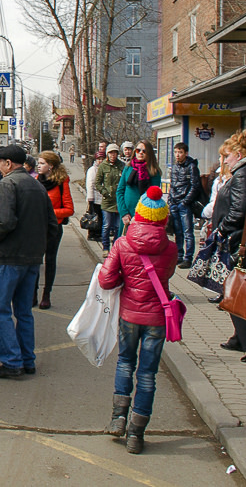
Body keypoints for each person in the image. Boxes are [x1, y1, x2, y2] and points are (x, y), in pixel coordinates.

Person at [99, 186, 178, 454]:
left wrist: (124, 278)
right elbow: (167, 275)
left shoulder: (123, 243)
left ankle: (118, 418)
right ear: (163, 218)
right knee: (147, 374)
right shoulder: (170, 248)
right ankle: (136, 433)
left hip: (129, 315)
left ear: (139, 214)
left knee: (125, 362)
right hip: (157, 318)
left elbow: (105, 280)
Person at [0, 144, 58, 379]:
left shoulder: (8, 184)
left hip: (10, 256)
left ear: (8, 163)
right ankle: (27, 360)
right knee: (24, 312)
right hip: (32, 258)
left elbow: (4, 222)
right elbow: (52, 224)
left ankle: (12, 361)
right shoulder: (37, 185)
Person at [211, 130, 246, 361]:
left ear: (239, 155)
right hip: (242, 240)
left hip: (239, 241)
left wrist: (221, 229)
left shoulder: (243, 174)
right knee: (235, 289)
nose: (225, 161)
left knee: (234, 291)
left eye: (227, 156)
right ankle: (240, 337)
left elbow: (239, 211)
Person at [33, 151, 73, 309]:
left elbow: (69, 209)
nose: (38, 166)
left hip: (53, 228)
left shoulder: (61, 182)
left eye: (42, 163)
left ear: (51, 166)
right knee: (35, 261)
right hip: (37, 227)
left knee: (49, 261)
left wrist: (49, 213)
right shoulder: (35, 181)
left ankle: (46, 294)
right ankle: (32, 294)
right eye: (38, 163)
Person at [168, 142, 202, 269]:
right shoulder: (174, 167)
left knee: (188, 232)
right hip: (174, 203)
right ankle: (179, 255)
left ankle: (188, 258)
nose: (177, 155)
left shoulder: (191, 166)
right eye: (176, 152)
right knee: (178, 232)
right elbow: (172, 185)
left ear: (186, 153)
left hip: (184, 204)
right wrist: (170, 201)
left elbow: (195, 186)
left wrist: (185, 201)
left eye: (180, 152)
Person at [117, 141, 161, 234]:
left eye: (144, 151)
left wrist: (138, 216)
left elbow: (153, 197)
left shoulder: (154, 171)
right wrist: (123, 213)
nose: (140, 153)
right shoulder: (128, 168)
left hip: (144, 215)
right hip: (126, 214)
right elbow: (120, 191)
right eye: (138, 150)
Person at [96, 144, 124, 253]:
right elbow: (98, 183)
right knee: (106, 225)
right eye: (111, 153)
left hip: (118, 201)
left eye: (115, 153)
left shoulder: (122, 165)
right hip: (107, 201)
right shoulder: (103, 166)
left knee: (118, 226)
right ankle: (105, 247)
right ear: (107, 154)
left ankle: (115, 248)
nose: (113, 155)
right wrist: (104, 192)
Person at [85, 151, 105, 242]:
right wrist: (90, 198)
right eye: (99, 159)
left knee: (100, 217)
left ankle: (98, 233)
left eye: (102, 159)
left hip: (102, 198)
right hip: (94, 197)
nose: (100, 161)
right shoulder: (92, 170)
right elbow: (90, 184)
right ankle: (92, 233)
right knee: (94, 216)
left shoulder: (104, 168)